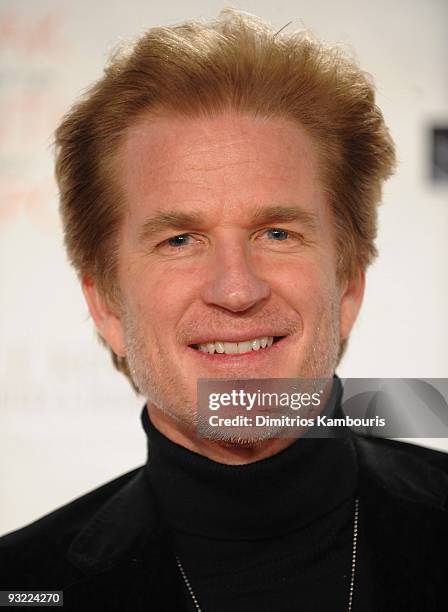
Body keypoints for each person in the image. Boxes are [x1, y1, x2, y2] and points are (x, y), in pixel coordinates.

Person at [1, 9, 447, 611]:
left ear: (347, 287)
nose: (236, 291)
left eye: (277, 234)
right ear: (106, 307)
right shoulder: (22, 584)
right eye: (179, 240)